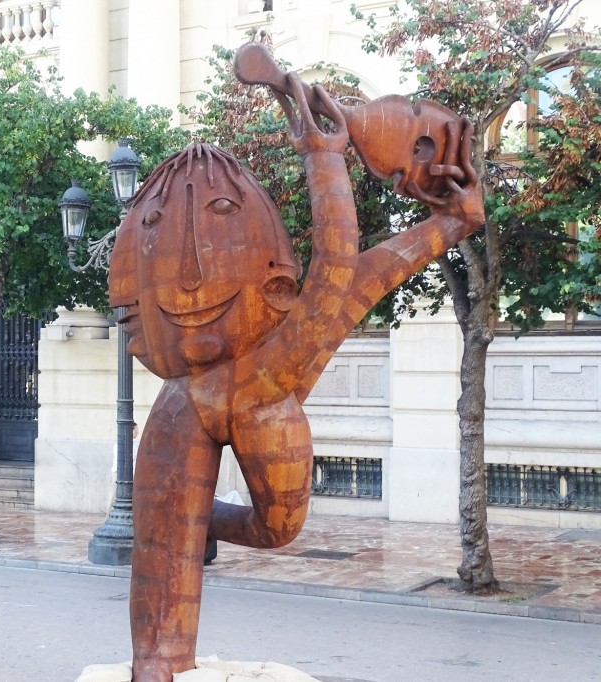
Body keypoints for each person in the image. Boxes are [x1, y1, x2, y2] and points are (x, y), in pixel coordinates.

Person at [108, 71, 484, 681]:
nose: (191, 271)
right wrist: (326, 158)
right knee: (159, 584)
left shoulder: (283, 351)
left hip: (258, 406)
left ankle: (194, 519)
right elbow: (344, 269)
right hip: (184, 409)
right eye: (157, 226)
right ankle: (159, 655)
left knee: (276, 528)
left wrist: (332, 162)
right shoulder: (214, 376)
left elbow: (345, 267)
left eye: (223, 215)